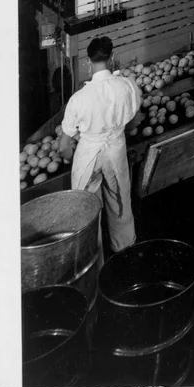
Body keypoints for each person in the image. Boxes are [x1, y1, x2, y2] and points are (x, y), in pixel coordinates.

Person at [57, 36, 142, 253]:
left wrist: (67, 158)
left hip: (88, 156)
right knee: (120, 201)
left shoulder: (79, 98)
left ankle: (92, 259)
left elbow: (64, 145)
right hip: (116, 150)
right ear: (112, 58)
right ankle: (124, 250)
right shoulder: (127, 86)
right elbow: (134, 123)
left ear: (88, 62)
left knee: (87, 210)